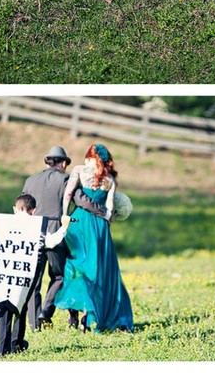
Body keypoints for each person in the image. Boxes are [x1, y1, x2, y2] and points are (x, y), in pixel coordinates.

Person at [22, 144, 112, 332]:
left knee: (34, 281)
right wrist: (104, 212)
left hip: (33, 235)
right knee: (59, 276)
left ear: (47, 161)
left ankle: (34, 323)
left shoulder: (30, 181)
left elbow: (22, 205)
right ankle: (45, 312)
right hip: (57, 235)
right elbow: (81, 201)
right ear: (63, 163)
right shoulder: (64, 180)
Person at [0, 194, 70, 357]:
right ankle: (16, 343)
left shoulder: (2, 224)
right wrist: (64, 226)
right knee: (20, 306)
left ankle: (2, 349)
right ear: (34, 210)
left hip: (2, 273)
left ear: (15, 209)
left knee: (3, 308)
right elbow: (50, 243)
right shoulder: (35, 226)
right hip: (23, 275)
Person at [55, 143, 134, 333]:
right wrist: (110, 218)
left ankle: (77, 311)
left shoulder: (79, 170)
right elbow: (108, 211)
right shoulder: (110, 180)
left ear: (90, 157)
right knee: (97, 268)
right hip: (99, 227)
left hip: (78, 221)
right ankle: (89, 315)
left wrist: (64, 215)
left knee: (75, 265)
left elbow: (68, 194)